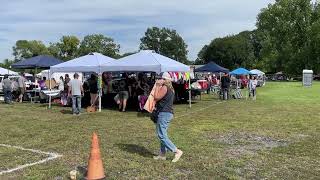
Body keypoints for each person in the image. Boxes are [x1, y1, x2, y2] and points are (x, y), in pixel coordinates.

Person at [153, 72, 183, 163]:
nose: (158, 80)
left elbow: (156, 97)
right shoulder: (171, 88)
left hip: (164, 113)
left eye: (160, 79)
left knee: (161, 135)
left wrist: (157, 86)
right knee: (163, 134)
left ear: (164, 80)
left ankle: (176, 151)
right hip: (167, 113)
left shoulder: (165, 87)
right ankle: (162, 154)